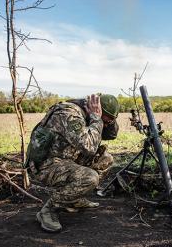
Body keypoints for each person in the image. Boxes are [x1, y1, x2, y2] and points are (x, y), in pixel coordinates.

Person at [25, 94, 120, 232]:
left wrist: (106, 120)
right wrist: (96, 118)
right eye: (105, 121)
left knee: (105, 159)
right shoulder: (69, 114)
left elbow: (111, 135)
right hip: (46, 164)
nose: (105, 125)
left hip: (65, 158)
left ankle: (72, 198)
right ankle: (48, 210)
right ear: (97, 110)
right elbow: (89, 147)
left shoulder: (88, 113)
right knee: (89, 178)